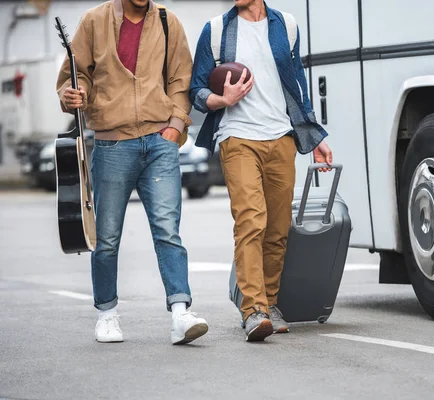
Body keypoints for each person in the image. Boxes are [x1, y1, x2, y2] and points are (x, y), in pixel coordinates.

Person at [56, 0, 208, 345]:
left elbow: (181, 80)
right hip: (112, 145)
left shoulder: (169, 22)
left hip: (159, 144)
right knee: (107, 239)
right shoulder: (93, 21)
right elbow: (73, 78)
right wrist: (72, 96)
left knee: (168, 231)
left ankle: (180, 313)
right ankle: (107, 315)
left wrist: (174, 127)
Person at [190, 0, 333, 342]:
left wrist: (314, 136)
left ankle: (270, 303)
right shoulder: (215, 31)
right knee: (251, 219)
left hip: (281, 137)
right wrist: (222, 100)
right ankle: (253, 310)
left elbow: (297, 84)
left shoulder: (287, 25)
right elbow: (195, 91)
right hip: (237, 137)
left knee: (278, 227)